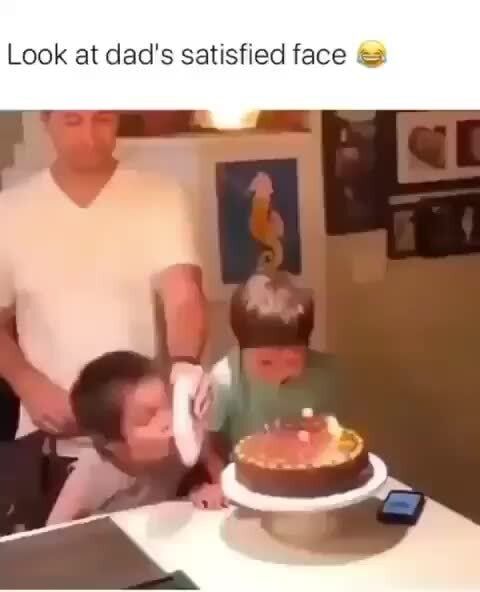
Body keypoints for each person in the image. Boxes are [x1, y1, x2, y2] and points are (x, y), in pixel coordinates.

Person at [0, 111, 208, 533]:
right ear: (46, 121)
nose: (91, 137)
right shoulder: (10, 211)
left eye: (103, 120)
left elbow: (184, 294)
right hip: (53, 446)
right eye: (73, 122)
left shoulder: (160, 195)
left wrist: (186, 363)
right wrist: (27, 383)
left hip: (143, 449)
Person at [202, 272, 342, 494]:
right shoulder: (224, 379)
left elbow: (334, 433)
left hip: (305, 481)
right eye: (265, 362)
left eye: (291, 360)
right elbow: (210, 443)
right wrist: (222, 483)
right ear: (241, 350)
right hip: (248, 485)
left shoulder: (326, 373)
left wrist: (324, 430)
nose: (279, 372)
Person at [48, 351, 218, 524]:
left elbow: (211, 467)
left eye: (167, 404)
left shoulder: (181, 447)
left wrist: (205, 490)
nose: (169, 420)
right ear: (113, 445)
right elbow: (52, 536)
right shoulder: (93, 475)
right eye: (148, 417)